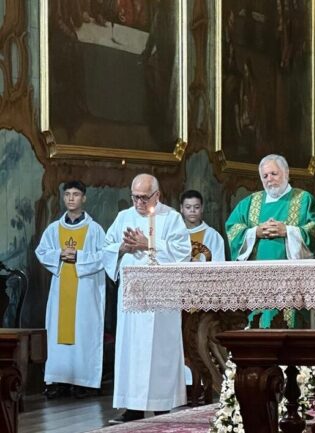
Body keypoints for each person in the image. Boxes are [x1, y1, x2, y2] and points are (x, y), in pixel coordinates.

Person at [103, 174, 191, 424]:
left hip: (161, 299)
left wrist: (148, 243)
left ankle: (162, 405)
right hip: (132, 296)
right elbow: (106, 247)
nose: (139, 203)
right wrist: (122, 248)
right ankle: (132, 407)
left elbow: (183, 254)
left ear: (157, 195)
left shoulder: (171, 218)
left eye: (144, 197)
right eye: (135, 197)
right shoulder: (124, 217)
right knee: (132, 349)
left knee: (159, 351)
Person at [225, 154, 315, 328]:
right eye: (265, 176)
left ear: (286, 173)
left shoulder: (303, 199)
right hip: (258, 280)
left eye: (274, 173)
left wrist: (288, 231)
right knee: (260, 324)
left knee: (290, 325)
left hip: (293, 281)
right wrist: (254, 232)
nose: (269, 179)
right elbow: (232, 228)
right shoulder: (250, 202)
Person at [35, 180, 106, 400]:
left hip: (86, 292)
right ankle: (58, 381)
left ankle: (84, 382)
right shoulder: (54, 228)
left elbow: (105, 256)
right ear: (63, 198)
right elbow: (41, 251)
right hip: (61, 292)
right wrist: (58, 255)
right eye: (67, 195)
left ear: (84, 198)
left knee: (85, 333)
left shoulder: (94, 230)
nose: (71, 199)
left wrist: (78, 257)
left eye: (76, 194)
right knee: (58, 335)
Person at [180, 190, 225, 262]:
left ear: (202, 208)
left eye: (196, 207)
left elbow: (219, 265)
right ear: (181, 208)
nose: (192, 210)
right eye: (188, 207)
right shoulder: (175, 233)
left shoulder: (213, 236)